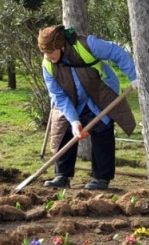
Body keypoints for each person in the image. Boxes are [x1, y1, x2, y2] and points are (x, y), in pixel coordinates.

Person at [37, 25, 139, 191]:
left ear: (62, 46)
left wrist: (134, 76)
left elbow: (116, 52)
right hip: (71, 99)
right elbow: (59, 96)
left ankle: (101, 178)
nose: (48, 57)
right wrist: (74, 121)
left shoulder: (87, 45)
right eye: (45, 54)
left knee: (102, 129)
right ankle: (62, 175)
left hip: (98, 92)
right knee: (63, 129)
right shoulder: (47, 65)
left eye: (52, 52)